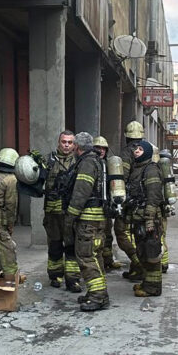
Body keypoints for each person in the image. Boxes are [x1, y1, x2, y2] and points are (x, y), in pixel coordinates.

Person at [65, 132, 110, 311]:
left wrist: (70, 216)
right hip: (98, 217)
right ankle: (97, 293)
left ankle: (98, 296)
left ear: (77, 147)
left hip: (87, 219)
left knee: (86, 256)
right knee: (96, 255)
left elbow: (81, 192)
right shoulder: (97, 161)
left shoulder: (87, 163)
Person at [125, 140, 164, 297]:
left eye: (141, 149)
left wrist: (149, 219)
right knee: (143, 251)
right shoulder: (138, 169)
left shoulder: (151, 170)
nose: (136, 151)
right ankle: (147, 282)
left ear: (147, 152)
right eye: (136, 148)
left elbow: (154, 196)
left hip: (149, 219)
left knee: (151, 252)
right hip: (138, 217)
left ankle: (153, 288)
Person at [43, 130, 80, 292]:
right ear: (59, 142)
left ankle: (73, 279)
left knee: (71, 246)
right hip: (52, 212)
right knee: (55, 245)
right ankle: (55, 276)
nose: (66, 145)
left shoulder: (79, 161)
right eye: (64, 141)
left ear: (74, 145)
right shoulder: (48, 160)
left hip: (70, 211)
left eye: (70, 142)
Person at [0, 148, 21, 284]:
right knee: (7, 250)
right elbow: (11, 205)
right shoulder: (10, 179)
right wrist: (10, 224)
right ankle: (11, 281)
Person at [118, 121, 145, 280]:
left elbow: (123, 176)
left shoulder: (127, 153)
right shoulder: (148, 149)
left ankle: (139, 264)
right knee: (140, 235)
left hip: (130, 200)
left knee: (122, 232)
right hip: (146, 200)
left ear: (127, 137)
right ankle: (137, 267)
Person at [93, 136, 122, 271]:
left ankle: (108, 260)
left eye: (103, 148)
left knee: (108, 235)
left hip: (107, 204)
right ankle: (99, 263)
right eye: (98, 148)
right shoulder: (90, 164)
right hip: (94, 206)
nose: (101, 151)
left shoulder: (110, 165)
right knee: (96, 237)